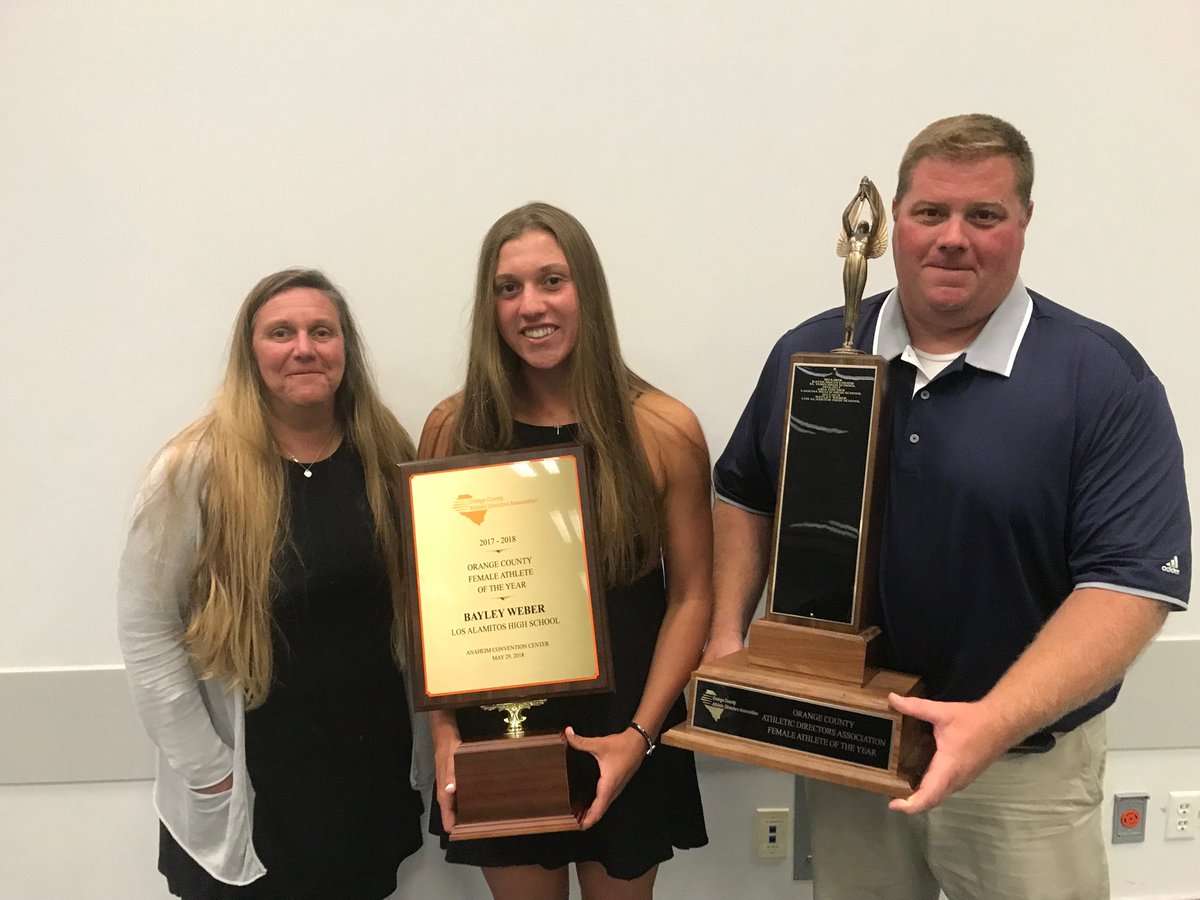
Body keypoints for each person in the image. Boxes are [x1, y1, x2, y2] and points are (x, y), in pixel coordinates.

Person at [704, 114, 1191, 899]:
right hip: (850, 748)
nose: (953, 238)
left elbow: (1129, 586)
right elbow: (744, 492)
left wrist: (993, 721)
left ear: (1023, 224)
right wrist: (727, 635)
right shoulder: (815, 351)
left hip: (1019, 772)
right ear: (891, 224)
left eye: (984, 215)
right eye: (930, 212)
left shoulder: (1100, 379)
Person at [422, 202, 711, 899]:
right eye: (508, 288)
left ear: (588, 290)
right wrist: (445, 739)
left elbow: (692, 596)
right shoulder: (453, 431)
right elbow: (431, 605)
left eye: (552, 280)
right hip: (499, 737)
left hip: (626, 727)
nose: (531, 305)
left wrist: (639, 737)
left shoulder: (663, 429)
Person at [117, 268, 425, 899]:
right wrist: (208, 772)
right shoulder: (193, 469)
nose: (304, 348)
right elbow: (148, 629)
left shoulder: (385, 453)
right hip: (253, 788)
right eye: (281, 333)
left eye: (322, 332)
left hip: (363, 777)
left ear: (346, 349)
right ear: (250, 353)